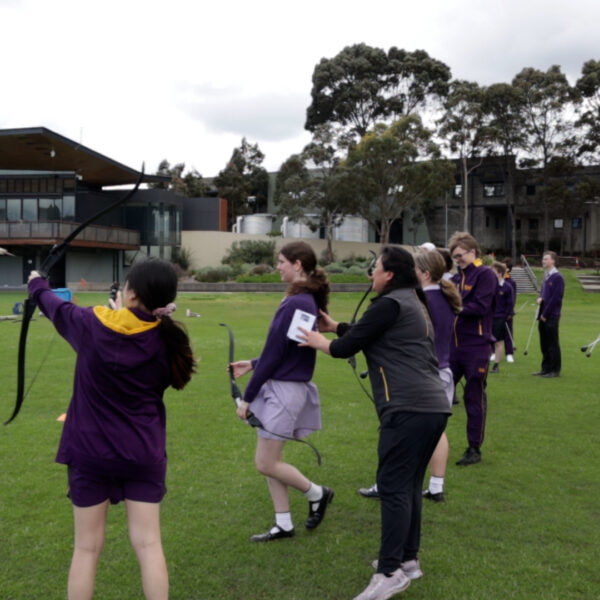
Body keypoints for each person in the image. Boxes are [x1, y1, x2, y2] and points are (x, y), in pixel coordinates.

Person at [27, 257, 196, 600]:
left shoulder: (93, 323)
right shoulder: (166, 338)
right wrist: (129, 315)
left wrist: (35, 282)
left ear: (131, 296)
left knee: (87, 549)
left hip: (90, 452)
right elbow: (136, 330)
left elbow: (53, 306)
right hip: (142, 453)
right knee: (149, 545)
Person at [299, 246, 450, 600]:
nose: (371, 274)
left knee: (394, 487)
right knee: (410, 485)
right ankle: (408, 561)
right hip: (432, 407)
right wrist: (336, 326)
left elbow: (345, 348)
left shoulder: (389, 303)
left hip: (409, 408)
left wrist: (322, 341)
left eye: (375, 268)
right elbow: (371, 332)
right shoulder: (410, 302)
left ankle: (389, 572)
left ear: (390, 274)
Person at [231, 241, 334, 542]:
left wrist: (247, 398)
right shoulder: (305, 300)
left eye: (281, 262)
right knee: (269, 463)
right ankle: (283, 523)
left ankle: (318, 494)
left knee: (266, 462)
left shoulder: (297, 302)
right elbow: (283, 350)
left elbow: (276, 354)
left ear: (298, 265)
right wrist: (251, 364)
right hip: (285, 387)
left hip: (286, 390)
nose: (277, 267)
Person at [415, 250, 462, 502]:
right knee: (437, 431)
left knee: (406, 429)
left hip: (424, 373)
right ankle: (436, 485)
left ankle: (390, 482)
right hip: (443, 371)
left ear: (423, 273)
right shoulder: (445, 296)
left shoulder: (424, 300)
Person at [448, 232, 497, 466]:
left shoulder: (485, 274)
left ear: (472, 252)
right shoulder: (456, 279)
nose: (458, 260)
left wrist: (455, 307)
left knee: (473, 397)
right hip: (453, 347)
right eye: (454, 257)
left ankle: (474, 448)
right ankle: (429, 440)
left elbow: (481, 306)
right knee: (439, 392)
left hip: (476, 346)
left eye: (460, 256)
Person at [533, 251, 565, 378]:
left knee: (552, 343)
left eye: (546, 259)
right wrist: (540, 298)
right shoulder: (546, 276)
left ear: (553, 261)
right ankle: (545, 368)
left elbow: (556, 298)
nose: (543, 261)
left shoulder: (558, 277)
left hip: (551, 315)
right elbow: (544, 293)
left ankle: (554, 369)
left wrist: (545, 314)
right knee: (544, 343)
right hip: (542, 314)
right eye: (543, 259)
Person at [489, 262, 514, 374]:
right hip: (488, 317)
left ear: (499, 274)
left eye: (493, 271)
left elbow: (510, 304)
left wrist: (505, 317)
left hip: (500, 318)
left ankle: (496, 365)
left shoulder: (507, 287)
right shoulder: (489, 285)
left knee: (498, 342)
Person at [501, 257, 517, 362]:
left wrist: (510, 311)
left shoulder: (511, 282)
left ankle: (509, 353)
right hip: (496, 311)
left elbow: (513, 298)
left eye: (504, 266)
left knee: (508, 332)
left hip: (507, 311)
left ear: (508, 269)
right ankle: (493, 352)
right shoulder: (496, 280)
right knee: (494, 332)